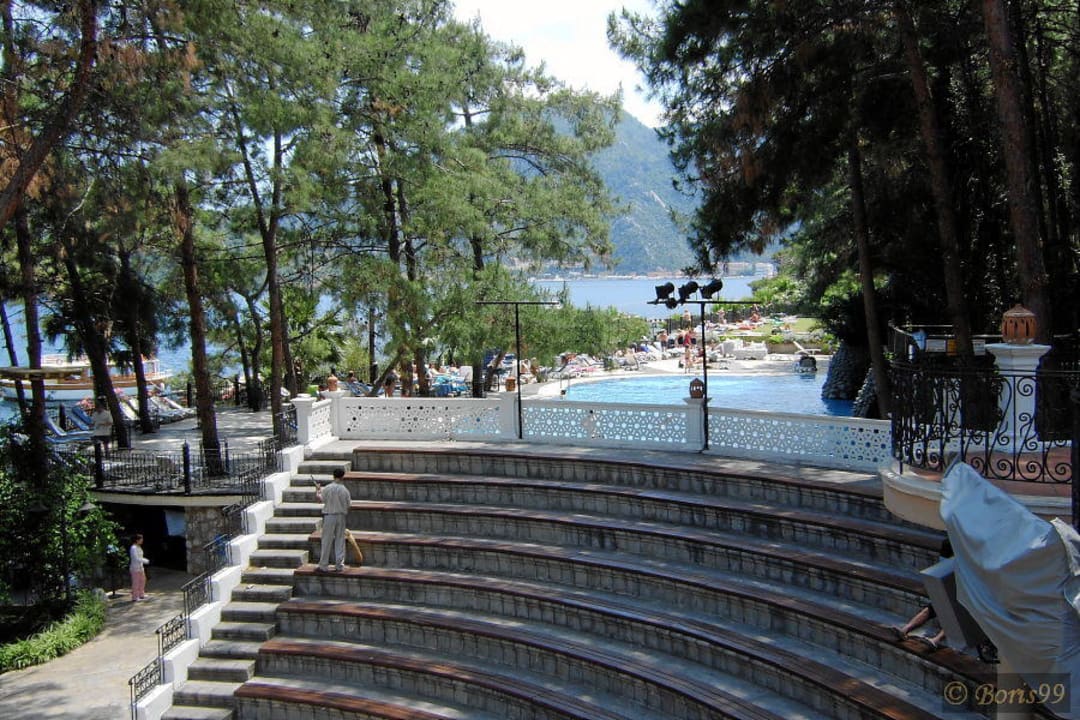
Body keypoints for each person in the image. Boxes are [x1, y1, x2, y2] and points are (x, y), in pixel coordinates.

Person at [893, 538, 953, 648]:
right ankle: (906, 630)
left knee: (955, 615)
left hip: (956, 587)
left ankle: (935, 640)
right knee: (932, 609)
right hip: (951, 585)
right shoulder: (950, 545)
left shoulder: (951, 545)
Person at [316, 468, 352, 572]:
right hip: (341, 516)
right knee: (340, 540)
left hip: (329, 516)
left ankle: (323, 565)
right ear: (342, 477)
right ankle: (339, 565)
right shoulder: (345, 490)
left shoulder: (327, 488)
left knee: (326, 540)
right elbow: (349, 505)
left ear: (333, 476)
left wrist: (318, 490)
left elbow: (319, 499)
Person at [129, 533, 150, 601]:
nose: (142, 540)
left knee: (143, 580)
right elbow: (136, 558)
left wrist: (143, 560)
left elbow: (140, 556)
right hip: (135, 568)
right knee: (136, 582)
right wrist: (145, 560)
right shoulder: (133, 548)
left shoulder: (138, 547)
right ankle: (135, 597)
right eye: (141, 539)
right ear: (137, 540)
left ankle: (141, 594)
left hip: (141, 567)